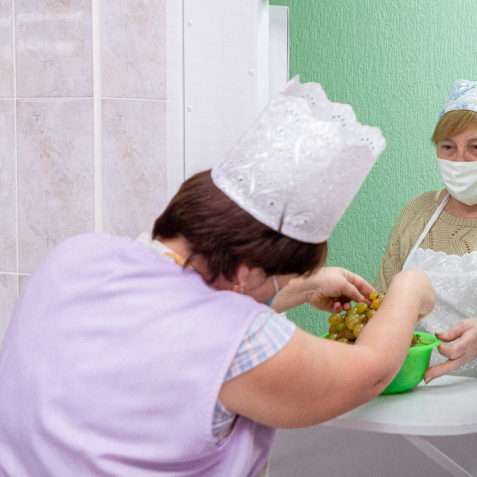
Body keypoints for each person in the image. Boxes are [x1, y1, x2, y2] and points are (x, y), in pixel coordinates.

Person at [0, 77, 435, 476]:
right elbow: (371, 371)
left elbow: (171, 321)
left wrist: (302, 287)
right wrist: (410, 286)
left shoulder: (76, 254)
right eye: (280, 280)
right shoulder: (244, 340)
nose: (280, 290)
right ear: (247, 270)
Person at [374, 73, 477, 383]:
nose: (460, 160)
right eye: (448, 147)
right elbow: (380, 304)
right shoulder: (417, 211)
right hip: (414, 390)